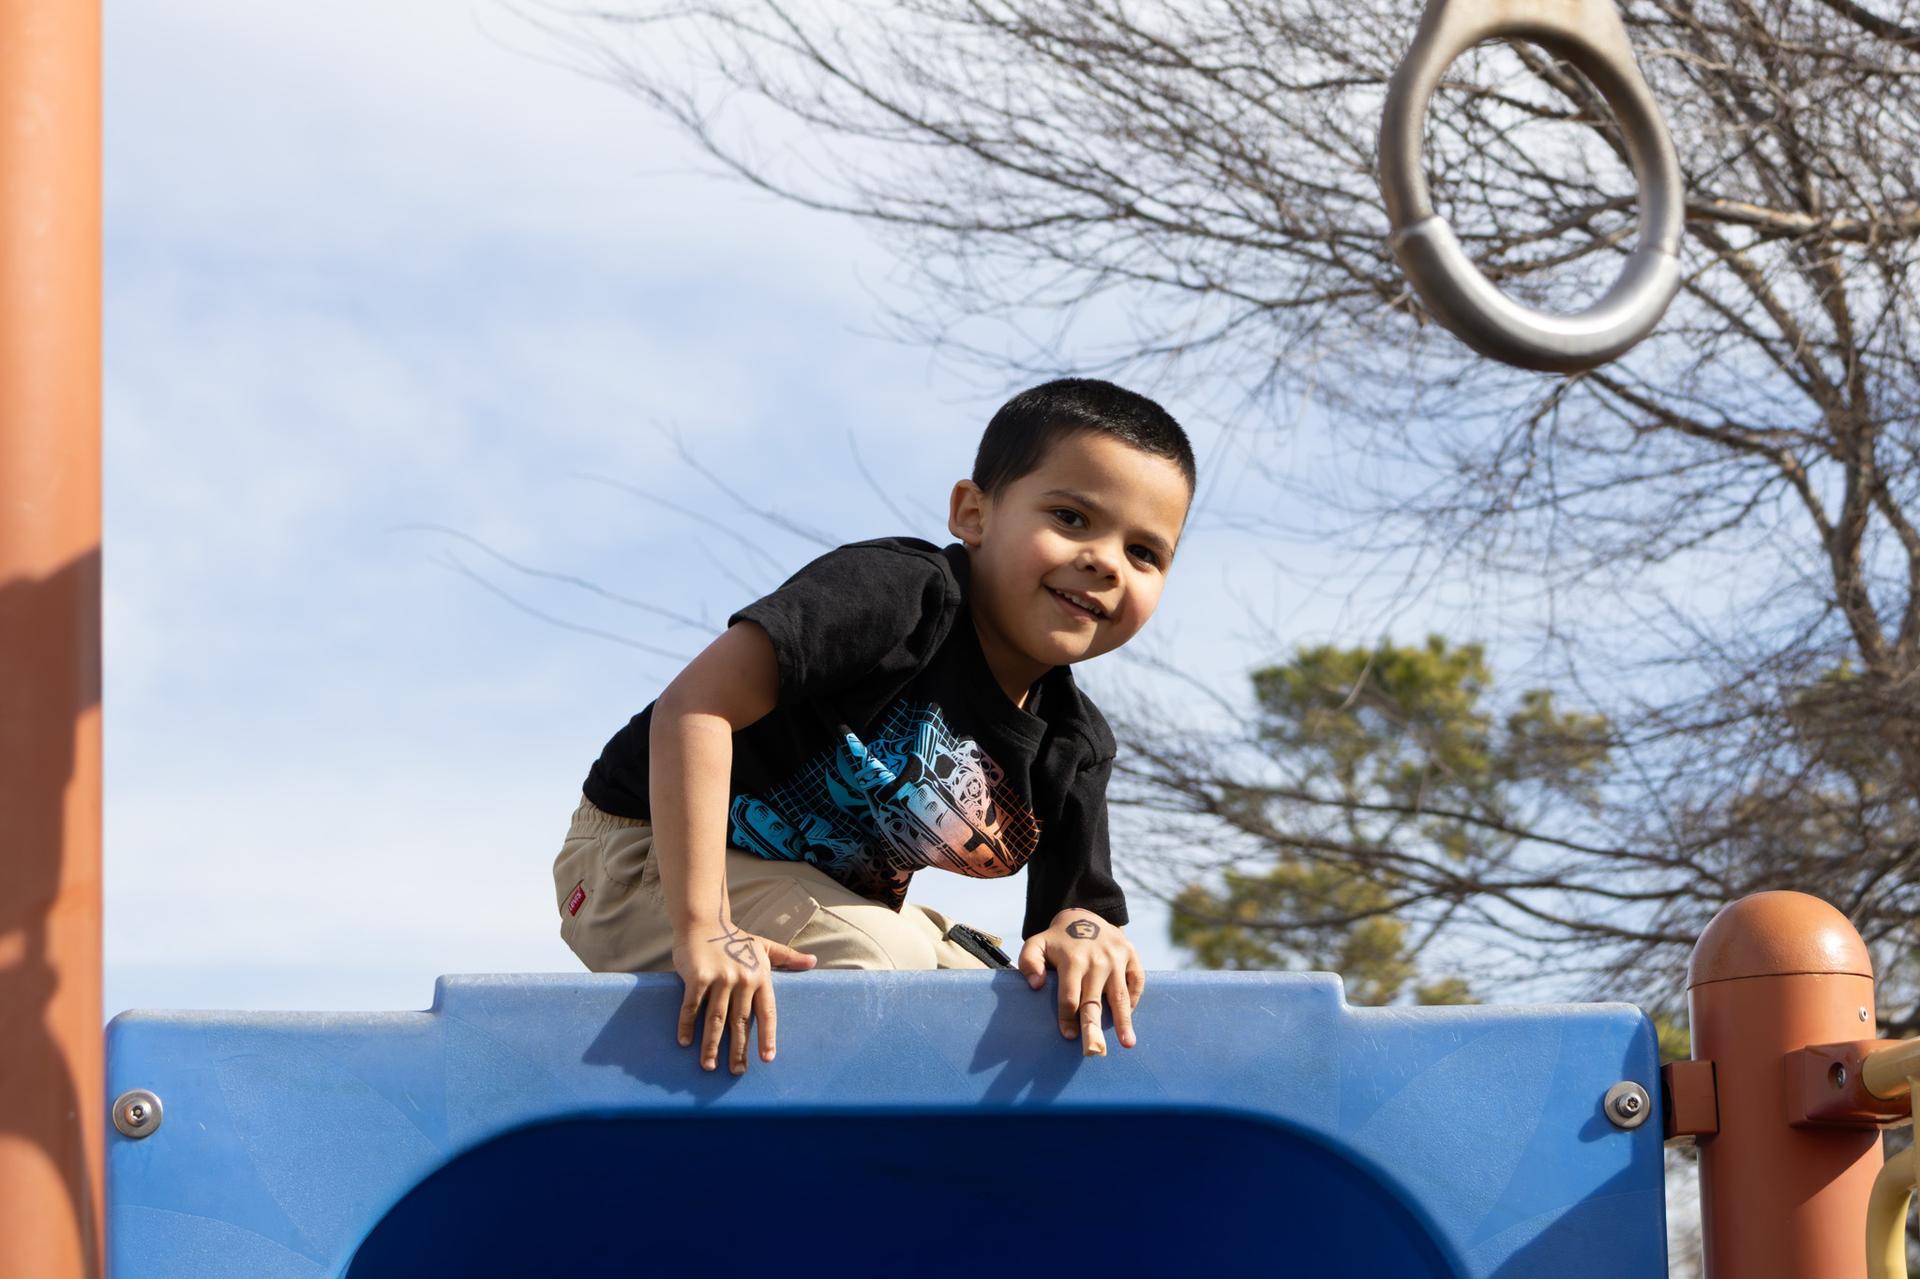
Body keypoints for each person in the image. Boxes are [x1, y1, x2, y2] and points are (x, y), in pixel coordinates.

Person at [552, 377, 1195, 1075]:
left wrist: (1086, 936)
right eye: (1071, 517)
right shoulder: (899, 597)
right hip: (644, 861)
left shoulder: (1072, 744)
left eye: (1145, 552)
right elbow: (695, 706)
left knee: (1003, 1002)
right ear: (973, 513)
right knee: (883, 962)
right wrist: (705, 927)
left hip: (802, 896)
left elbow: (1077, 914)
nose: (1106, 561)